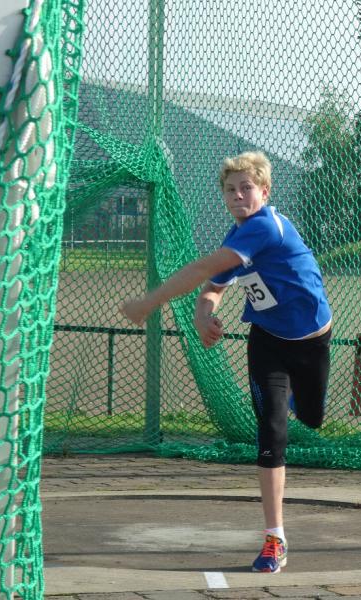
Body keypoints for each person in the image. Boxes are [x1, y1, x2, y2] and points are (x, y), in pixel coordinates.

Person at [120, 151, 332, 573]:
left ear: (265, 192)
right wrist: (203, 315)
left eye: (246, 188)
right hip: (267, 342)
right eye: (230, 190)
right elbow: (212, 288)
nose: (238, 196)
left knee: (312, 417)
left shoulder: (265, 228)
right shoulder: (237, 236)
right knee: (272, 432)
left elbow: (203, 267)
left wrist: (149, 302)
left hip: (311, 342)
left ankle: (293, 395)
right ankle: (275, 538)